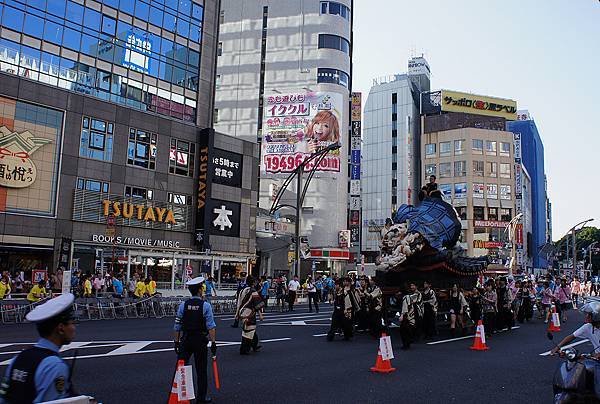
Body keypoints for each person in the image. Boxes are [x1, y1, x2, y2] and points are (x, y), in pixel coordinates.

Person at [0, 293, 84, 403]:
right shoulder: (54, 365)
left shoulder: (18, 358)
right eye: (72, 322)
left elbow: (4, 397)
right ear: (61, 329)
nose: (74, 327)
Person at [173, 277, 217, 403]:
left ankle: (182, 396)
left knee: (182, 368)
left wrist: (176, 342)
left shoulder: (183, 305)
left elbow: (177, 325)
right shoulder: (206, 306)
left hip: (185, 340)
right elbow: (211, 326)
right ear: (199, 290)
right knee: (201, 370)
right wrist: (213, 343)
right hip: (200, 340)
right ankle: (201, 398)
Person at [551, 302, 600, 398]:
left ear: (596, 316)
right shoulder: (588, 327)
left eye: (589, 314)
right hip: (597, 359)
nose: (586, 316)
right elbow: (571, 337)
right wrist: (557, 348)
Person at [235, 277, 264, 355]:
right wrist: (260, 314)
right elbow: (257, 304)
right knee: (249, 331)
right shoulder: (253, 291)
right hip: (249, 313)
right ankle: (244, 349)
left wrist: (237, 313)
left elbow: (239, 302)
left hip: (242, 312)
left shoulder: (242, 291)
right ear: (253, 282)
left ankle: (254, 344)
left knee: (247, 330)